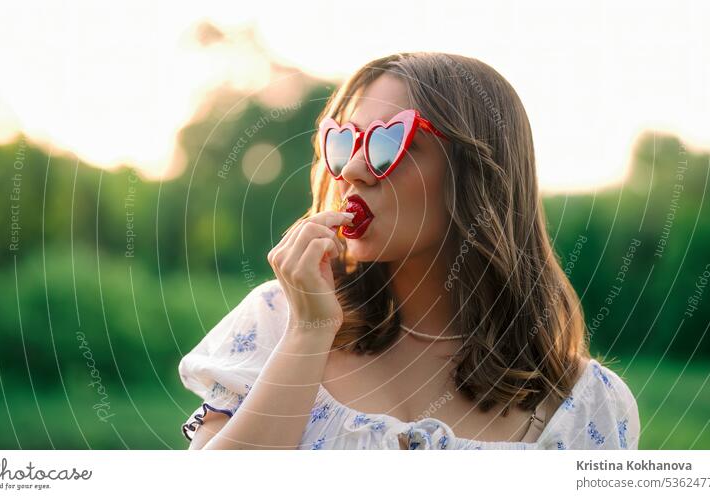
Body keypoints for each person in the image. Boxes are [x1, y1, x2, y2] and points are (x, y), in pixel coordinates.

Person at [178, 52, 640, 450]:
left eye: (388, 142)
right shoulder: (276, 321)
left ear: (477, 176)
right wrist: (308, 332)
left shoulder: (583, 405)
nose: (354, 170)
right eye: (344, 141)